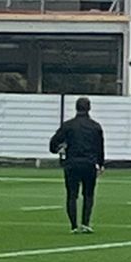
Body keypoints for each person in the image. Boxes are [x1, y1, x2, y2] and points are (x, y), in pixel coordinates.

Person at [48, 97, 106, 235]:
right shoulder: (95, 126)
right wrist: (101, 163)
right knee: (88, 194)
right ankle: (86, 223)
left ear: (76, 108)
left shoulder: (68, 125)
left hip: (72, 163)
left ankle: (73, 225)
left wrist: (58, 149)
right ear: (89, 108)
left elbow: (53, 142)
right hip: (89, 163)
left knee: (72, 195)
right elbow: (100, 147)